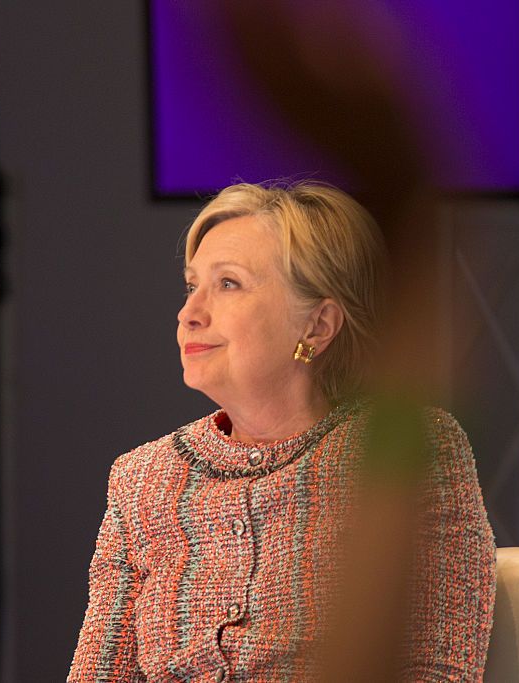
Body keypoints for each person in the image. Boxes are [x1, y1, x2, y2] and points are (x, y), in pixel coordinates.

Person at [66, 181, 496, 682]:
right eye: (191, 285)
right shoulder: (142, 480)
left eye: (228, 283)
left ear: (317, 326)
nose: (189, 313)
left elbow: (439, 670)